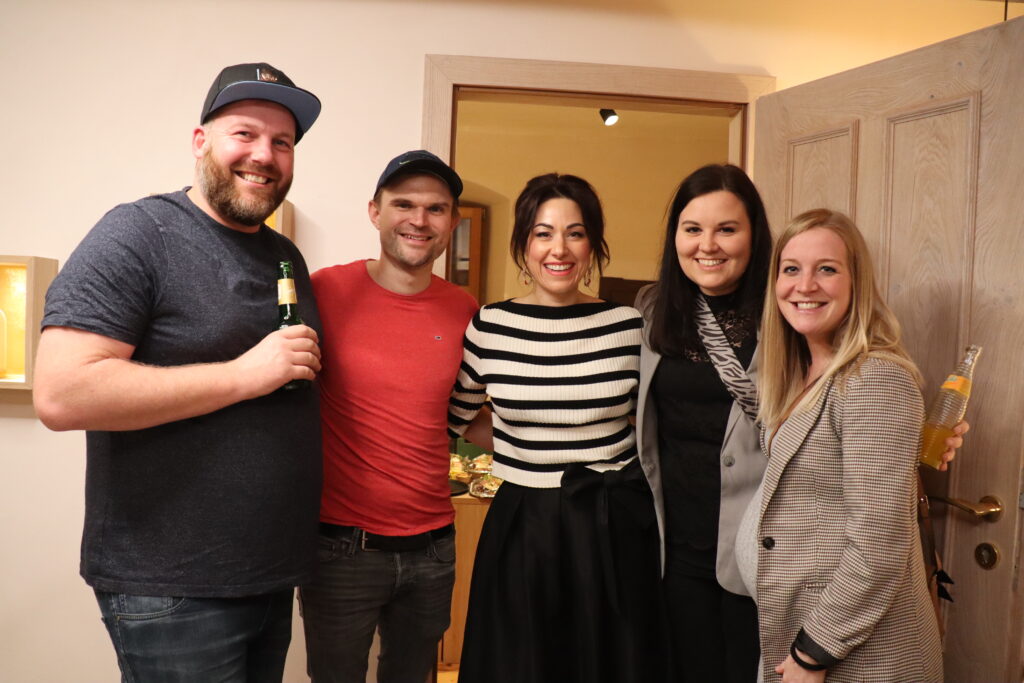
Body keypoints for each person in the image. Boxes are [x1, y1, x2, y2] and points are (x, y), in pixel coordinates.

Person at [32, 63, 324, 682]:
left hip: (267, 575)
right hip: (173, 588)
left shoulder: (282, 254)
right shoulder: (137, 233)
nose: (264, 156)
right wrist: (247, 374)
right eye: (244, 134)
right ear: (201, 142)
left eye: (282, 142)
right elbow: (63, 393)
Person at [635, 165, 963, 683]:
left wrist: (918, 442)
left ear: (754, 237)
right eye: (692, 228)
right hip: (677, 547)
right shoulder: (656, 311)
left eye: (727, 228)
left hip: (785, 572)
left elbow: (864, 421)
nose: (708, 245)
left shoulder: (794, 321)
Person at [449, 173, 667, 683]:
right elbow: (459, 415)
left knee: (608, 664)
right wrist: (526, 449)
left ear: (593, 244)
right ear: (523, 244)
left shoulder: (628, 326)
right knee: (522, 666)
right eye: (543, 233)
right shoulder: (490, 325)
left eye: (575, 232)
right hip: (523, 521)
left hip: (612, 522)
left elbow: (652, 423)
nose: (559, 249)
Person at [299, 150, 479, 683]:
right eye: (404, 204)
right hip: (340, 549)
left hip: (434, 549)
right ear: (375, 211)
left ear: (452, 221)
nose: (419, 221)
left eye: (436, 209)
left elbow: (468, 416)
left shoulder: (466, 309)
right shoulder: (325, 290)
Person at [743, 209, 943, 682]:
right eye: (791, 269)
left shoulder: (874, 378)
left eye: (826, 269)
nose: (805, 285)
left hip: (858, 651)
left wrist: (814, 652)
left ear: (857, 283)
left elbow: (878, 539)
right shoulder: (801, 375)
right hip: (801, 628)